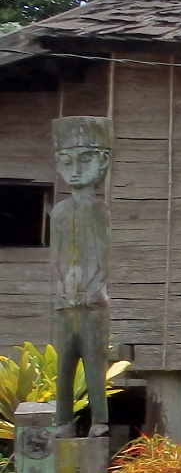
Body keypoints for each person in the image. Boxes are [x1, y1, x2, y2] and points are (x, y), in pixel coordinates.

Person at [50, 116, 113, 432]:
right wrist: (63, 288)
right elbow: (57, 257)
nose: (75, 170)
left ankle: (99, 421)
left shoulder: (97, 209)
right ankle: (62, 420)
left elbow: (101, 258)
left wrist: (90, 289)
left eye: (84, 160)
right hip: (65, 302)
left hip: (92, 303)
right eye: (66, 161)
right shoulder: (59, 211)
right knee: (64, 365)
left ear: (103, 162)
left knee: (93, 364)